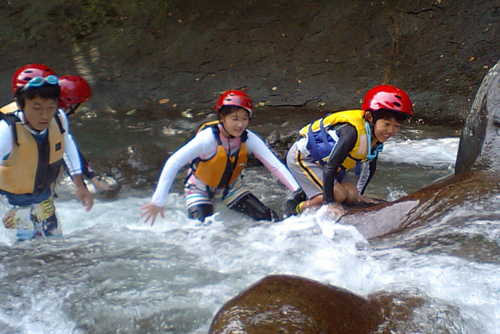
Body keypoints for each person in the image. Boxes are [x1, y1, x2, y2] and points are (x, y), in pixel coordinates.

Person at [141, 90, 300, 224]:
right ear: (222, 118)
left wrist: (298, 192)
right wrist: (158, 201)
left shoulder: (249, 139)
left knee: (270, 219)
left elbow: (275, 166)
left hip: (231, 188)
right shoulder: (207, 139)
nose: (240, 125)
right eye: (235, 119)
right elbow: (173, 163)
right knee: (204, 233)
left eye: (244, 119)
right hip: (199, 189)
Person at [285, 85, 413, 218]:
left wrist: (360, 195)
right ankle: (295, 207)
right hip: (303, 158)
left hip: (326, 164)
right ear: (370, 117)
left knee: (351, 195)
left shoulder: (375, 138)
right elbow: (330, 167)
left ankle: (311, 191)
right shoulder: (351, 132)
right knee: (338, 195)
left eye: (396, 126)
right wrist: (330, 203)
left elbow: (369, 168)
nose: (391, 131)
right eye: (386, 124)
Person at [0, 65, 94, 240]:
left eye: (51, 107)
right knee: (21, 259)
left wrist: (79, 184)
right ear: (21, 103)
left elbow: (67, 146)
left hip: (44, 202)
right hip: (12, 206)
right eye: (37, 107)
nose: (45, 115)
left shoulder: (58, 118)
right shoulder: (6, 130)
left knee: (56, 251)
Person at [58, 75, 121, 198]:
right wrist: (81, 186)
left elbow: (70, 150)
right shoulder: (53, 119)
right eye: (81, 103)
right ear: (71, 104)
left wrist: (92, 178)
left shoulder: (48, 112)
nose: (81, 108)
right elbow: (63, 153)